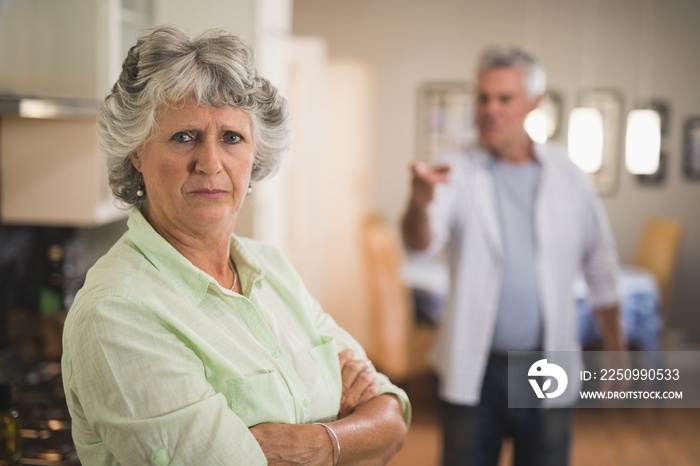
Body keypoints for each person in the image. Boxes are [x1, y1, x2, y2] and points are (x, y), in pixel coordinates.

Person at [61, 25, 410, 465]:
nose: (210, 163)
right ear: (136, 152)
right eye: (183, 136)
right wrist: (349, 430)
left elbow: (394, 418)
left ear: (254, 155)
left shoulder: (270, 266)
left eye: (231, 138)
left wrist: (318, 444)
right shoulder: (116, 310)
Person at [401, 44, 625, 466]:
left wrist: (614, 346)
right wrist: (418, 203)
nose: (491, 109)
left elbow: (600, 263)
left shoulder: (567, 176)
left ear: (534, 103)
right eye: (483, 97)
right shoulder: (455, 168)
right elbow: (420, 243)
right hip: (477, 368)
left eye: (505, 98)